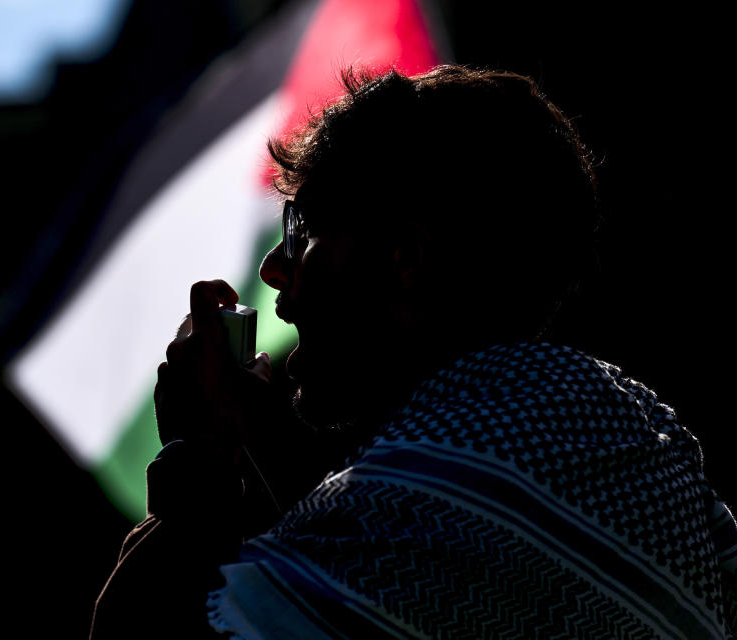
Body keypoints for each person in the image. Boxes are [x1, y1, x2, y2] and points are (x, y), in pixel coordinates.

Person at [91, 65, 737, 638]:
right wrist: (258, 451)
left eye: (305, 230)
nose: (273, 270)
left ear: (405, 259)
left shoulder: (440, 497)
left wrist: (197, 459)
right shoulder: (625, 446)